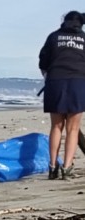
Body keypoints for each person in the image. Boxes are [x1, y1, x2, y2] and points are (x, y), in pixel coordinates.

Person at [39, 11, 85, 180]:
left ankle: (52, 166)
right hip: (78, 83)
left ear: (64, 22)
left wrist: (47, 75)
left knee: (56, 126)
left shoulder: (54, 37)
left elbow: (43, 59)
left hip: (55, 82)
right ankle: (67, 167)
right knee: (72, 129)